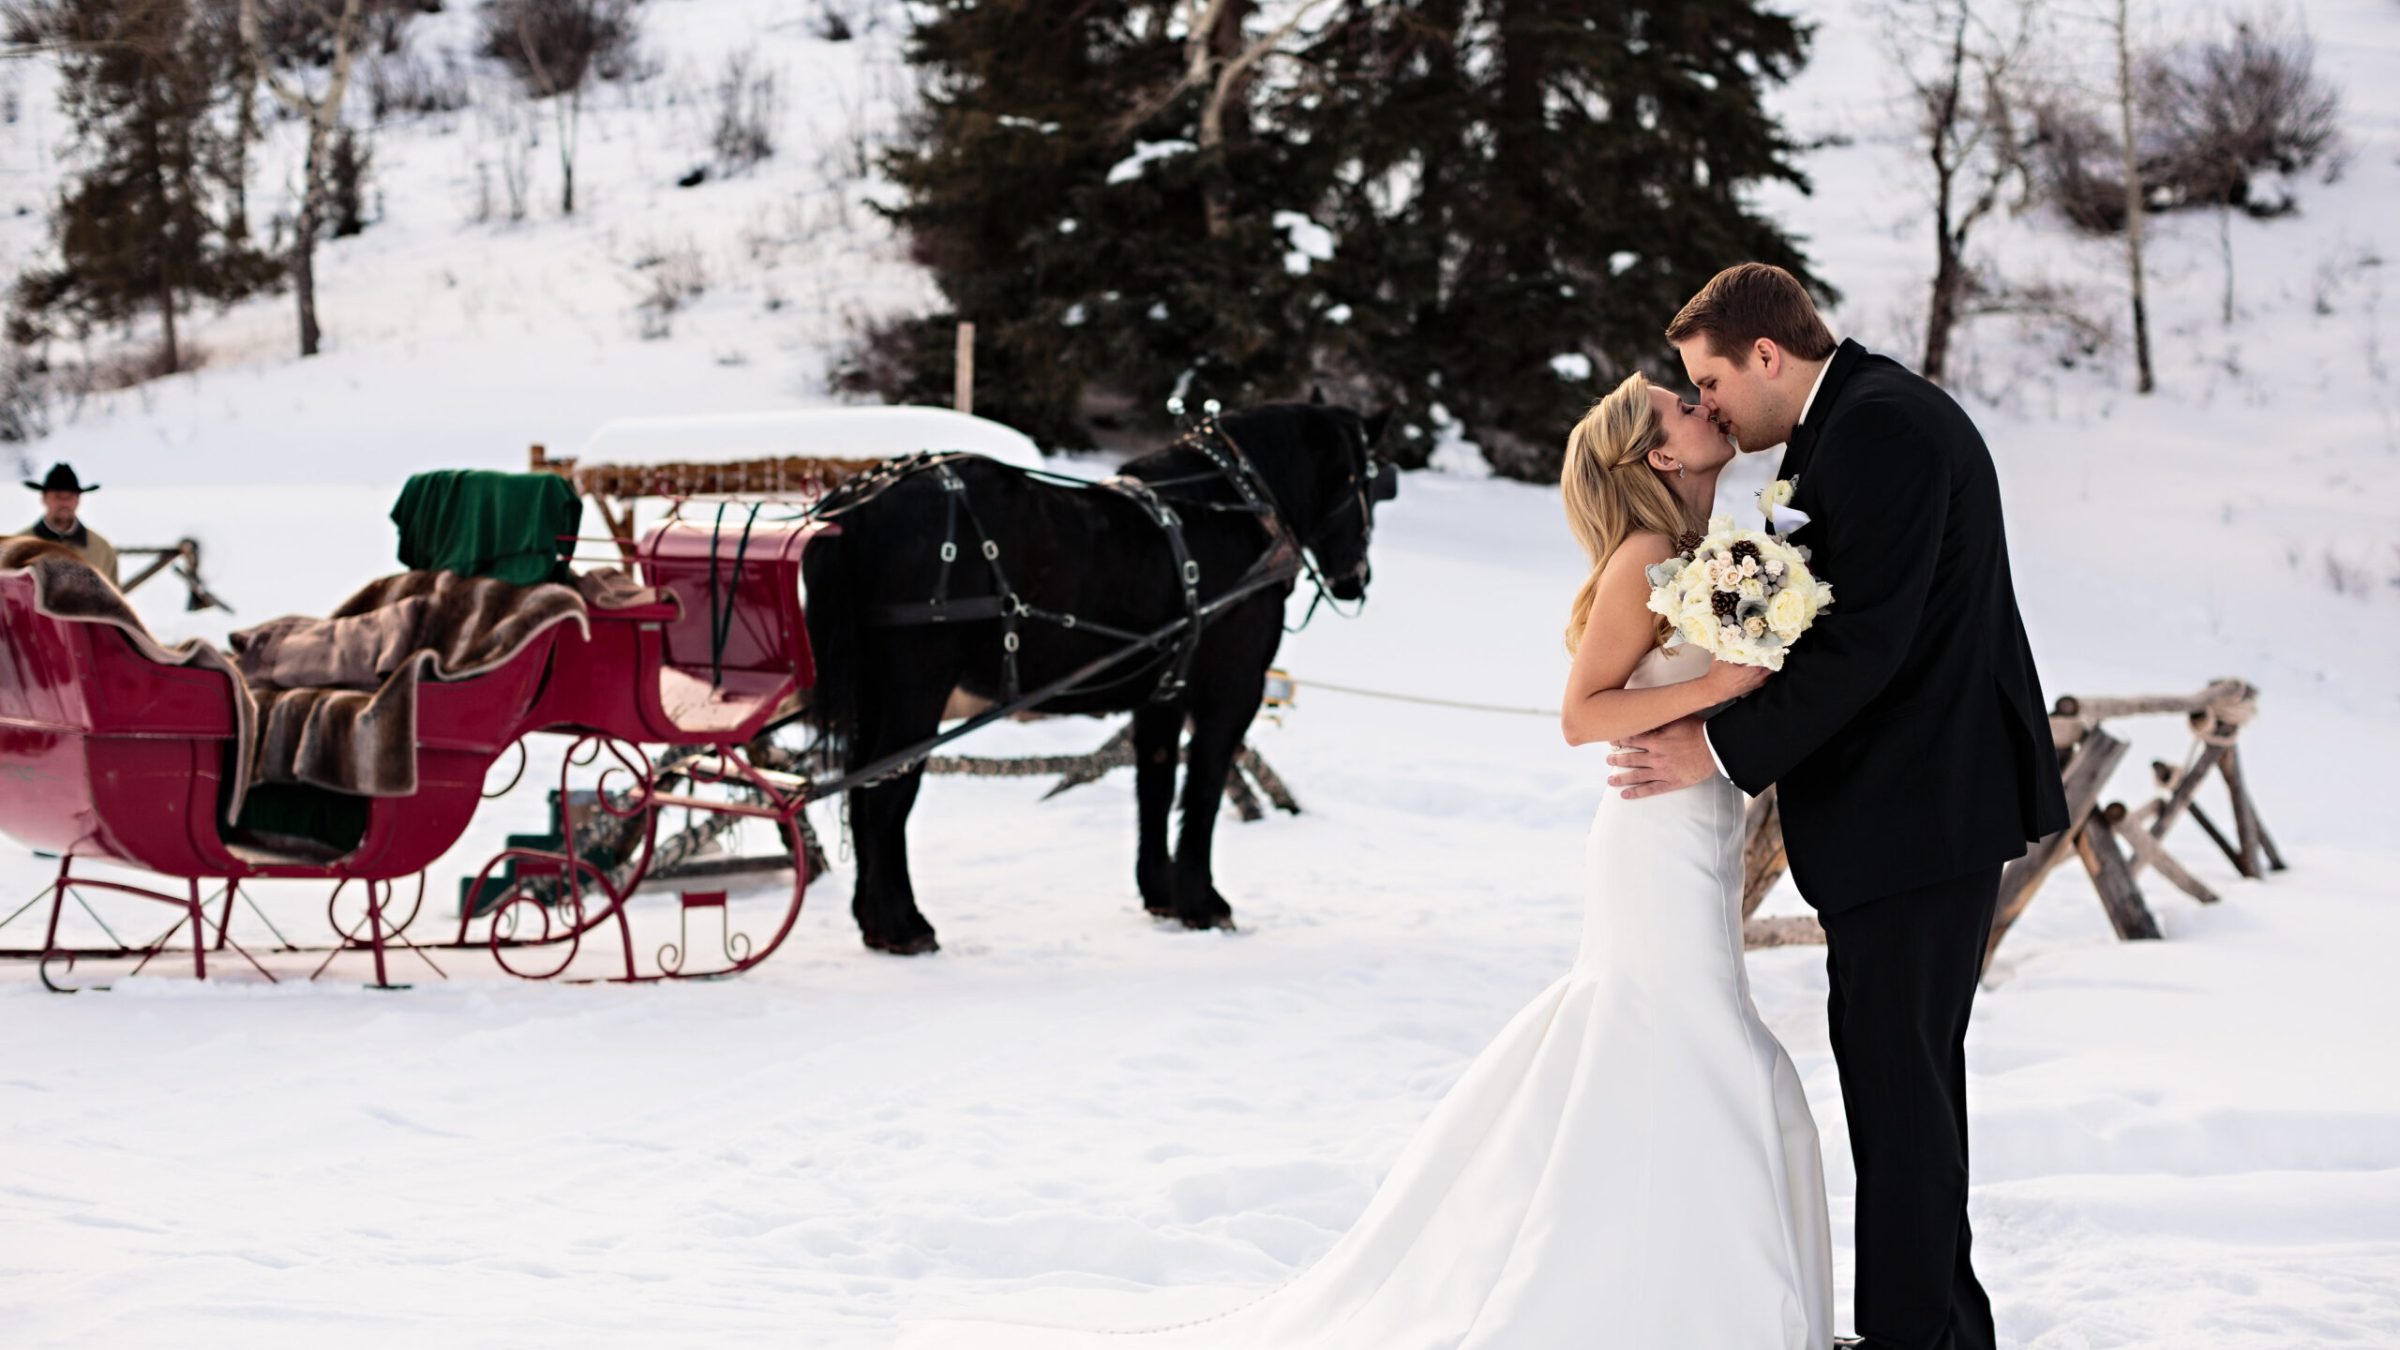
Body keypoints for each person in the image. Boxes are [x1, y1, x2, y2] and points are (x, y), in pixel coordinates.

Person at [894, 369, 1835, 1348]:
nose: (1700, 403)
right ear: (1659, 454)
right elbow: (1581, 715)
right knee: (1684, 1036)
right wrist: (1719, 687)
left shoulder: (1708, 550)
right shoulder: (1645, 554)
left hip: (1697, 825)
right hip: (1655, 835)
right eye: (1680, 403)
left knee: (1673, 1038)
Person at [1610, 262, 2069, 1350]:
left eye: (1710, 380)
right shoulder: (1850, 423)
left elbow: (1869, 643)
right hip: (1908, 816)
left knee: (1901, 1091)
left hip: (1922, 812)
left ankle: (1914, 1339)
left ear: (1767, 354)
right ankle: (1939, 1333)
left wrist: (1715, 746)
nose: (1709, 403)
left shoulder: (1881, 428)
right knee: (1902, 1086)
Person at [20, 462, 118, 587]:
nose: (64, 503)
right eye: (58, 496)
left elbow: (113, 595)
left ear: (78, 499)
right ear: (44, 498)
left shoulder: (101, 549)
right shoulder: (19, 548)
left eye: (70, 496)